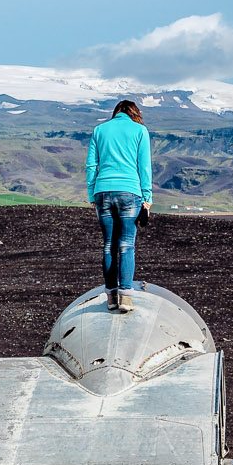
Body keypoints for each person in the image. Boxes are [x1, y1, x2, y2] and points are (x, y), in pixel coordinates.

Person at [85, 99, 153, 313]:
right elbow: (144, 167)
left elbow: (91, 165)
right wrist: (147, 197)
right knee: (126, 245)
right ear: (135, 113)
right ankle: (125, 297)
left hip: (102, 192)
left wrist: (91, 193)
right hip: (130, 192)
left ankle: (111, 297)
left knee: (108, 245)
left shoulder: (99, 130)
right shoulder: (140, 131)